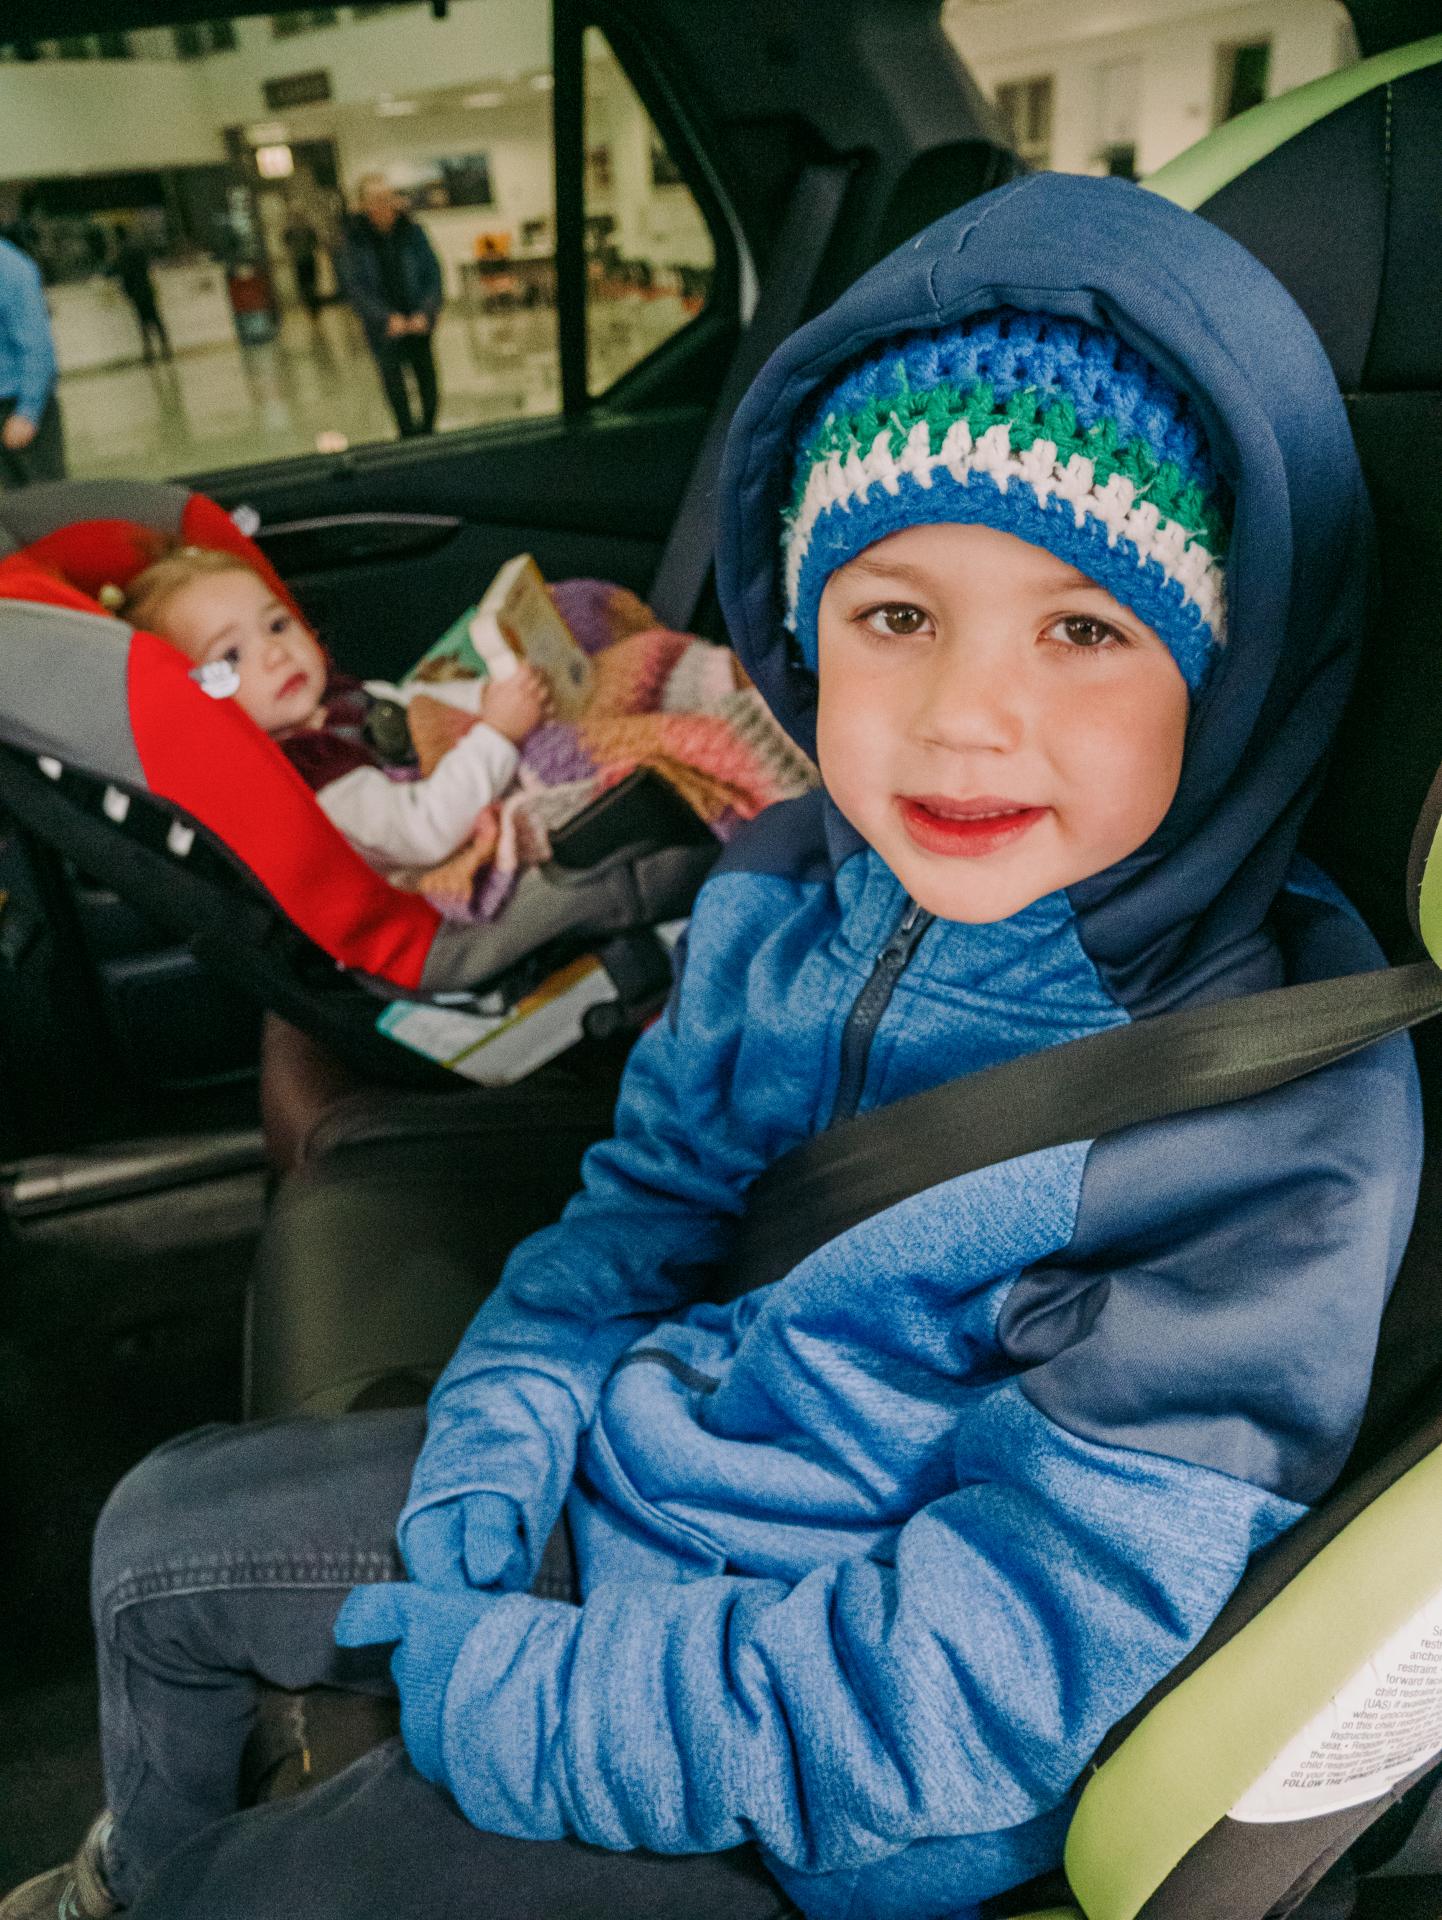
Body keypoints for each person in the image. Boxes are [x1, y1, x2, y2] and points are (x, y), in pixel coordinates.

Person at [0, 173, 1423, 1920]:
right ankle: (134, 1871)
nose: (966, 716)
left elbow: (990, 1685)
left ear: (1230, 674)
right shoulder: (784, 898)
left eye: (1085, 629)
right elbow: (647, 1200)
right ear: (804, 636)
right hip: (661, 1482)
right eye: (894, 616)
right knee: (152, 1545)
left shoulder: (1268, 1129)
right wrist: (513, 1409)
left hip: (831, 1775)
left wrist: (541, 1704)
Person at [119, 545, 549, 873]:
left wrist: (493, 694)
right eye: (230, 656)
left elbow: (420, 708)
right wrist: (497, 733)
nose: (274, 653)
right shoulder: (313, 774)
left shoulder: (336, 699)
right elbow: (422, 831)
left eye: (277, 625)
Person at [337, 173, 443, 438]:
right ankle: (407, 437)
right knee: (395, 387)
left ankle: (428, 432)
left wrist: (425, 313)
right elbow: (355, 288)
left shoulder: (413, 232)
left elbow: (433, 275)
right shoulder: (354, 242)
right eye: (375, 200)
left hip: (418, 322)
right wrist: (385, 319)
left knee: (429, 385)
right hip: (384, 330)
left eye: (387, 198)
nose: (383, 205)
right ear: (363, 206)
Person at [0, 231, 65, 488]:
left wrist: (27, 413)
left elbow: (37, 345)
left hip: (16, 409)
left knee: (45, 507)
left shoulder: (11, 268)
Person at [110, 229, 172, 364]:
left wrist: (126, 292)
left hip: (136, 292)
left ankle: (149, 353)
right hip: (147, 288)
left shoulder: (121, 254)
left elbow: (121, 273)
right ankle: (166, 350)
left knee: (143, 322)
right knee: (156, 319)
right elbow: (148, 266)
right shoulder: (138, 249)